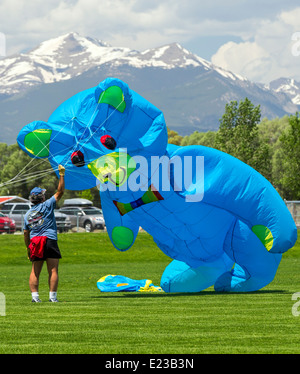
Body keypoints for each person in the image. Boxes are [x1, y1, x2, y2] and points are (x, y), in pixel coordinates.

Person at [23, 165, 65, 303]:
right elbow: (60, 192)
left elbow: (25, 233)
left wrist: (29, 248)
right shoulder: (47, 205)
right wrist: (62, 174)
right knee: (53, 270)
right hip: (50, 239)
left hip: (35, 242)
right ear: (41, 198)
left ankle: (35, 298)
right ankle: (52, 298)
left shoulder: (27, 214)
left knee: (35, 271)